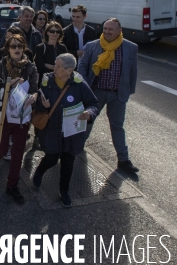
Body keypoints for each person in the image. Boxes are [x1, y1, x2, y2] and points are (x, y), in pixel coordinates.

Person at [32, 53, 99, 207]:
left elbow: (93, 103)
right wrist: (43, 105)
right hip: (52, 129)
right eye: (55, 64)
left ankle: (64, 191)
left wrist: (89, 113)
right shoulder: (47, 81)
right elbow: (38, 104)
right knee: (51, 158)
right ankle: (40, 171)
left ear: (69, 70)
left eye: (59, 66)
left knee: (68, 162)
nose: (54, 68)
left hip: (72, 132)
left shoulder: (79, 84)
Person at [78, 18, 140, 174]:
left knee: (117, 127)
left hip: (118, 95)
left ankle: (123, 160)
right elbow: (82, 67)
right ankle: (77, 148)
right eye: (105, 29)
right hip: (95, 93)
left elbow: (133, 72)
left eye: (110, 29)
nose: (107, 32)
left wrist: (128, 91)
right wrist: (84, 88)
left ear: (119, 31)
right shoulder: (93, 46)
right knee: (87, 122)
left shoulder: (130, 48)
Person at [0, 34, 38, 205]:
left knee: (17, 152)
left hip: (22, 115)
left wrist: (34, 96)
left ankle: (12, 185)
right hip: (4, 115)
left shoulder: (31, 67)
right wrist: (9, 85)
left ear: (24, 48)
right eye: (13, 46)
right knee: (2, 148)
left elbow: (35, 89)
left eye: (20, 46)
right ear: (8, 49)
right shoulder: (0, 65)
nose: (17, 49)